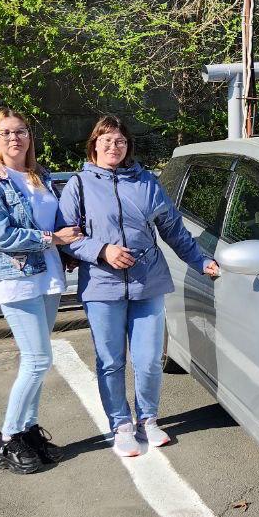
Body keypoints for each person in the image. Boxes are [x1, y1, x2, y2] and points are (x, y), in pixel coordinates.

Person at [59, 115, 220, 456]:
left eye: (120, 141)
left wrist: (201, 260)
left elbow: (173, 229)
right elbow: (68, 237)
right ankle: (121, 425)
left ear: (128, 146)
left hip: (148, 282)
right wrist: (102, 251)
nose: (113, 147)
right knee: (111, 361)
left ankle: (148, 419)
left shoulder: (147, 183)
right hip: (102, 287)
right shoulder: (79, 185)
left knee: (148, 361)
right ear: (94, 145)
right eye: (106, 141)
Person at [0, 109, 84, 475]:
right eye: (5, 133)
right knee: (37, 360)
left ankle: (29, 431)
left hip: (47, 277)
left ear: (29, 137)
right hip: (17, 280)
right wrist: (53, 239)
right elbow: (1, 236)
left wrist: (68, 246)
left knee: (38, 359)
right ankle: (7, 439)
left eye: (20, 131)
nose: (14, 138)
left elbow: (57, 222)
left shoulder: (40, 176)